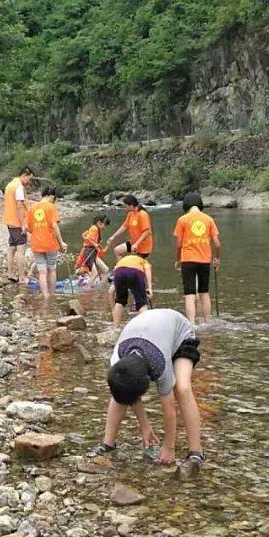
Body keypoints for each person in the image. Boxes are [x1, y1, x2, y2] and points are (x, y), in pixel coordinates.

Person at [89, 308, 204, 467]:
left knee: (182, 388)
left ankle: (196, 452)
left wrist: (169, 447)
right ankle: (107, 444)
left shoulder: (159, 364)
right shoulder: (117, 361)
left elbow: (169, 409)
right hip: (152, 332)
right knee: (121, 391)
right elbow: (130, 395)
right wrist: (145, 426)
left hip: (181, 336)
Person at [173, 192, 221, 324]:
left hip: (188, 259)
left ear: (186, 205)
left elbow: (178, 244)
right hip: (205, 260)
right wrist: (217, 258)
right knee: (204, 292)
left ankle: (192, 324)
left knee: (189, 294)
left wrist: (178, 259)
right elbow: (217, 244)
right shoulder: (209, 219)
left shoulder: (182, 220)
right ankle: (207, 322)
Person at [26, 185, 67, 297]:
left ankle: (45, 295)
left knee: (42, 271)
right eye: (54, 199)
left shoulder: (32, 208)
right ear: (51, 196)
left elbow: (28, 228)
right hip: (50, 244)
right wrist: (61, 242)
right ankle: (52, 294)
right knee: (52, 270)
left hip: (36, 244)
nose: (54, 201)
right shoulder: (51, 207)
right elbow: (54, 226)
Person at [2, 167, 34, 283]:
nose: (29, 182)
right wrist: (24, 224)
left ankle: (10, 273)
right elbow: (19, 205)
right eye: (29, 179)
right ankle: (22, 277)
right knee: (21, 250)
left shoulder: (10, 184)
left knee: (12, 248)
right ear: (24, 175)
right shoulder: (19, 187)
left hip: (9, 221)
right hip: (17, 222)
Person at [104, 194, 153, 259]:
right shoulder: (130, 214)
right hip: (133, 242)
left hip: (143, 246)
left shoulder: (142, 214)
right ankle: (121, 268)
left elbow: (147, 232)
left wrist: (136, 244)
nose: (125, 208)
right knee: (117, 251)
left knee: (138, 265)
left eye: (126, 206)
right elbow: (124, 227)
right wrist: (113, 237)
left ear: (131, 206)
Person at [111, 253, 153, 326]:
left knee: (120, 301)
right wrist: (150, 288)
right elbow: (147, 269)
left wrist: (113, 309)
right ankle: (145, 327)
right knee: (142, 304)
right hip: (135, 272)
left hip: (119, 272)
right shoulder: (143, 261)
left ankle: (115, 327)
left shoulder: (122, 261)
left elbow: (111, 291)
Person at [76, 215, 110, 286]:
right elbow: (88, 238)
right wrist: (95, 244)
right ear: (99, 222)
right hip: (89, 252)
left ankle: (101, 287)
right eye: (104, 225)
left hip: (93, 252)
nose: (104, 227)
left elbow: (86, 237)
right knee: (94, 274)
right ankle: (87, 291)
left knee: (105, 269)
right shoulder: (94, 228)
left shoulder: (96, 229)